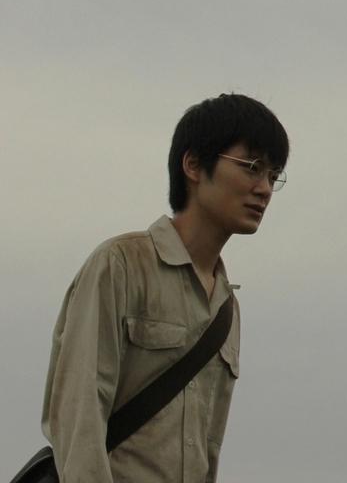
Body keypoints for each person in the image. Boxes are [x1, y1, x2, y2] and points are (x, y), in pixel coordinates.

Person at [41, 93, 289, 482]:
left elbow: (208, 449)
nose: (265, 189)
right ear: (193, 164)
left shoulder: (227, 307)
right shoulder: (121, 265)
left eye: (273, 176)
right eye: (253, 167)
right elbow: (78, 416)